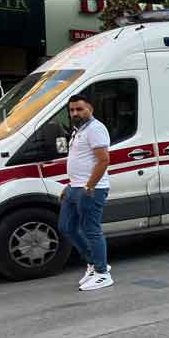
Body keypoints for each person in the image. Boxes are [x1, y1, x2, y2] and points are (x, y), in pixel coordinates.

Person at [60, 94, 113, 292]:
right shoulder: (78, 130)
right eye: (72, 110)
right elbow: (80, 161)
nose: (75, 113)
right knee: (66, 226)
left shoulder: (95, 129)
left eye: (79, 109)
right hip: (75, 187)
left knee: (91, 230)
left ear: (90, 108)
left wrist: (89, 186)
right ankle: (93, 263)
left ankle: (102, 274)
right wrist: (70, 185)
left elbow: (103, 160)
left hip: (91, 189)